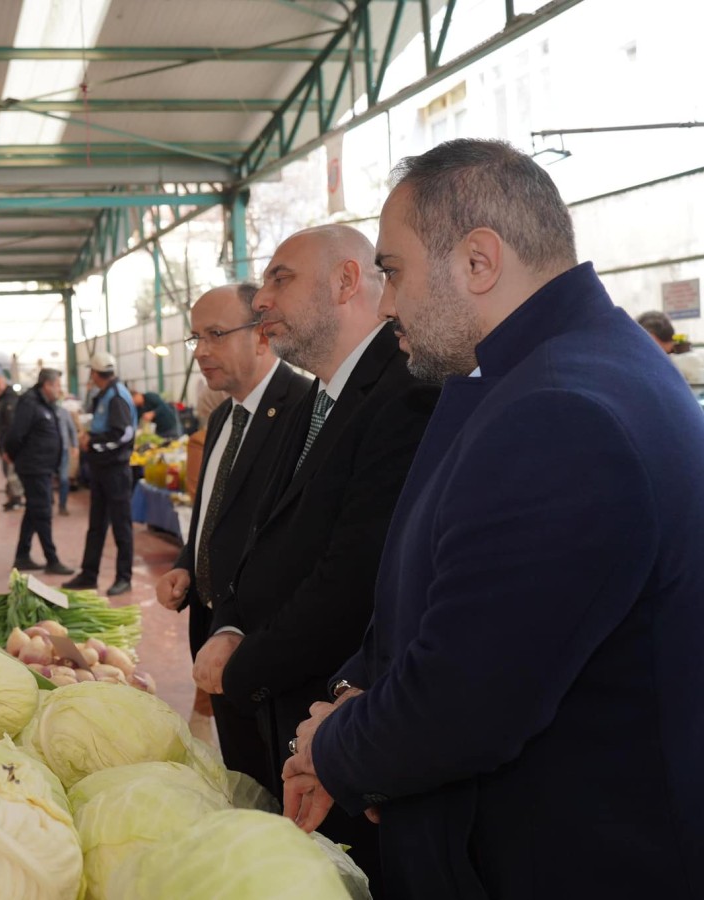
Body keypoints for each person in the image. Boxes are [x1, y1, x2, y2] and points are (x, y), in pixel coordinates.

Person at [282, 139, 704, 900]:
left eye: (392, 270)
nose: (384, 305)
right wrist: (356, 696)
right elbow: (432, 595)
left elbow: (467, 703)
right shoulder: (537, 378)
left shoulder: (561, 412)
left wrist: (334, 745)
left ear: (477, 261)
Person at [195, 225, 438, 891]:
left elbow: (352, 578)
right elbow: (270, 540)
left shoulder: (400, 394)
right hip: (306, 721)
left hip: (343, 723)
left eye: (280, 279)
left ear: (344, 283)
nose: (263, 301)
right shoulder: (322, 400)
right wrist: (230, 622)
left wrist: (244, 663)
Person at [155, 283, 311, 779]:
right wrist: (186, 563)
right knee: (241, 767)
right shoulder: (224, 415)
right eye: (195, 337)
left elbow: (295, 541)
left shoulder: (304, 409)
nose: (200, 351)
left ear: (263, 333)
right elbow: (217, 514)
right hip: (211, 628)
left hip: (263, 641)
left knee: (275, 775)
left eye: (216, 334)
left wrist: (237, 626)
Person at [62, 352, 137, 596]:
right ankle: (89, 574)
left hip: (115, 471)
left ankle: (124, 578)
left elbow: (123, 434)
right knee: (96, 525)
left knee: (121, 526)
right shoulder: (104, 394)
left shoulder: (116, 397)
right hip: (101, 470)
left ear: (94, 374)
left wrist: (92, 443)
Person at [3, 369, 73, 575]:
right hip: (34, 467)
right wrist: (14, 456)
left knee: (35, 509)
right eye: (58, 385)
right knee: (43, 511)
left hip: (43, 466)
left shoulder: (44, 404)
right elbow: (16, 434)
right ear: (47, 385)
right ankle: (52, 559)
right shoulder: (30, 404)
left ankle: (22, 556)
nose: (59, 390)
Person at [0, 375, 23, 511]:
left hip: (9, 446)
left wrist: (9, 448)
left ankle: (17, 498)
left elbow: (11, 427)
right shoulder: (1, 402)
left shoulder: (10, 401)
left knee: (11, 473)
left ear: (4, 384)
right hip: (3, 445)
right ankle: (12, 497)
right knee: (7, 472)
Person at [55, 394, 77, 515]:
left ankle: (62, 505)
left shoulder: (64, 413)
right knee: (47, 480)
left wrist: (75, 445)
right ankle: (49, 501)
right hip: (48, 452)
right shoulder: (43, 411)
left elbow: (72, 429)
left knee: (64, 479)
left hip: (63, 451)